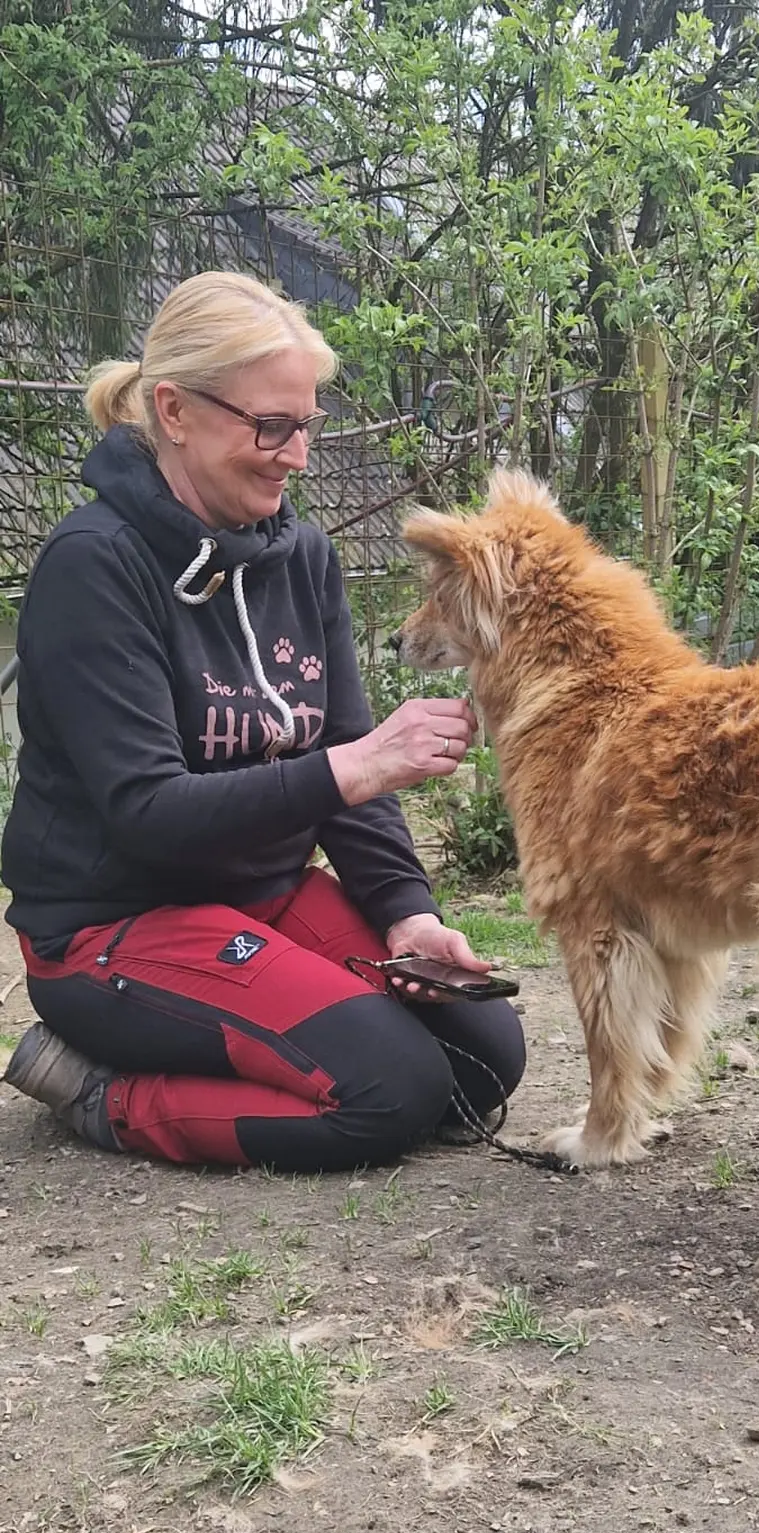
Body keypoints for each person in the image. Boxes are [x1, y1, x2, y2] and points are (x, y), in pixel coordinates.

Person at [1, 271, 525, 1172]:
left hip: (258, 902)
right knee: (389, 1090)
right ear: (174, 410)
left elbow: (344, 760)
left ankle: (271, 1028)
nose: (297, 455)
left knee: (482, 1059)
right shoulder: (93, 566)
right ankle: (100, 1091)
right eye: (268, 426)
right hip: (112, 926)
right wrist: (352, 769)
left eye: (305, 425)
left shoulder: (304, 556)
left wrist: (405, 915)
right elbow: (147, 813)